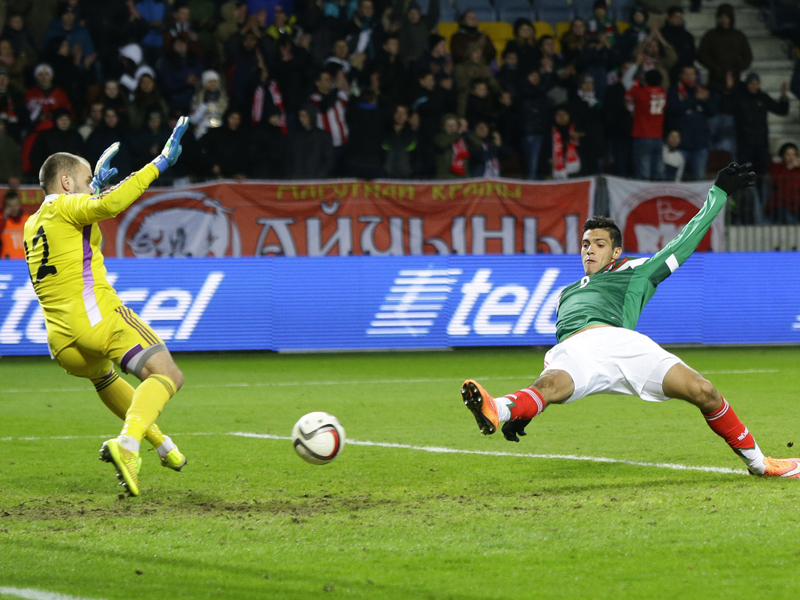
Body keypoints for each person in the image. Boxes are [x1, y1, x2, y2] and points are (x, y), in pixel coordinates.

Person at [460, 162, 800, 480]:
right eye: (585, 244)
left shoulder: (635, 271)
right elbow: (564, 353)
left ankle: (760, 464)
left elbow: (684, 241)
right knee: (547, 388)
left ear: (615, 252)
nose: (589, 250)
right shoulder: (566, 293)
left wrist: (718, 194)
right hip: (578, 350)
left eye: (599, 244)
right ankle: (499, 409)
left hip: (624, 345)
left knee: (704, 391)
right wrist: (527, 412)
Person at [22, 117, 191, 497]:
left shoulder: (33, 224)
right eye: (86, 182)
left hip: (62, 342)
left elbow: (85, 223)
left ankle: (160, 443)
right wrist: (160, 162)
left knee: (105, 378)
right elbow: (110, 204)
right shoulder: (66, 207)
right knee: (166, 374)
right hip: (95, 316)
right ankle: (127, 445)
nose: (91, 188)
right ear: (66, 183)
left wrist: (95, 188)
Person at [626, 68, 667, 181]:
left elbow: (626, 81)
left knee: (643, 175)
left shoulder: (640, 92)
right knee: (659, 173)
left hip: (642, 137)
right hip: (658, 138)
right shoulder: (663, 93)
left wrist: (636, 64)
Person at [767, 143, 800, 224]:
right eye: (788, 154)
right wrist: (789, 168)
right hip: (781, 205)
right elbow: (777, 181)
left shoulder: (798, 169)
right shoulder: (776, 167)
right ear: (782, 156)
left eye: (794, 154)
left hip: (797, 204)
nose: (792, 157)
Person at [0, 189, 27, 259]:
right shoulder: (2, 221)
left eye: (16, 205)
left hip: (25, 262)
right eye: (10, 206)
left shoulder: (27, 220)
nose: (14, 209)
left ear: (20, 205)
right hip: (7, 262)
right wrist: (4, 219)